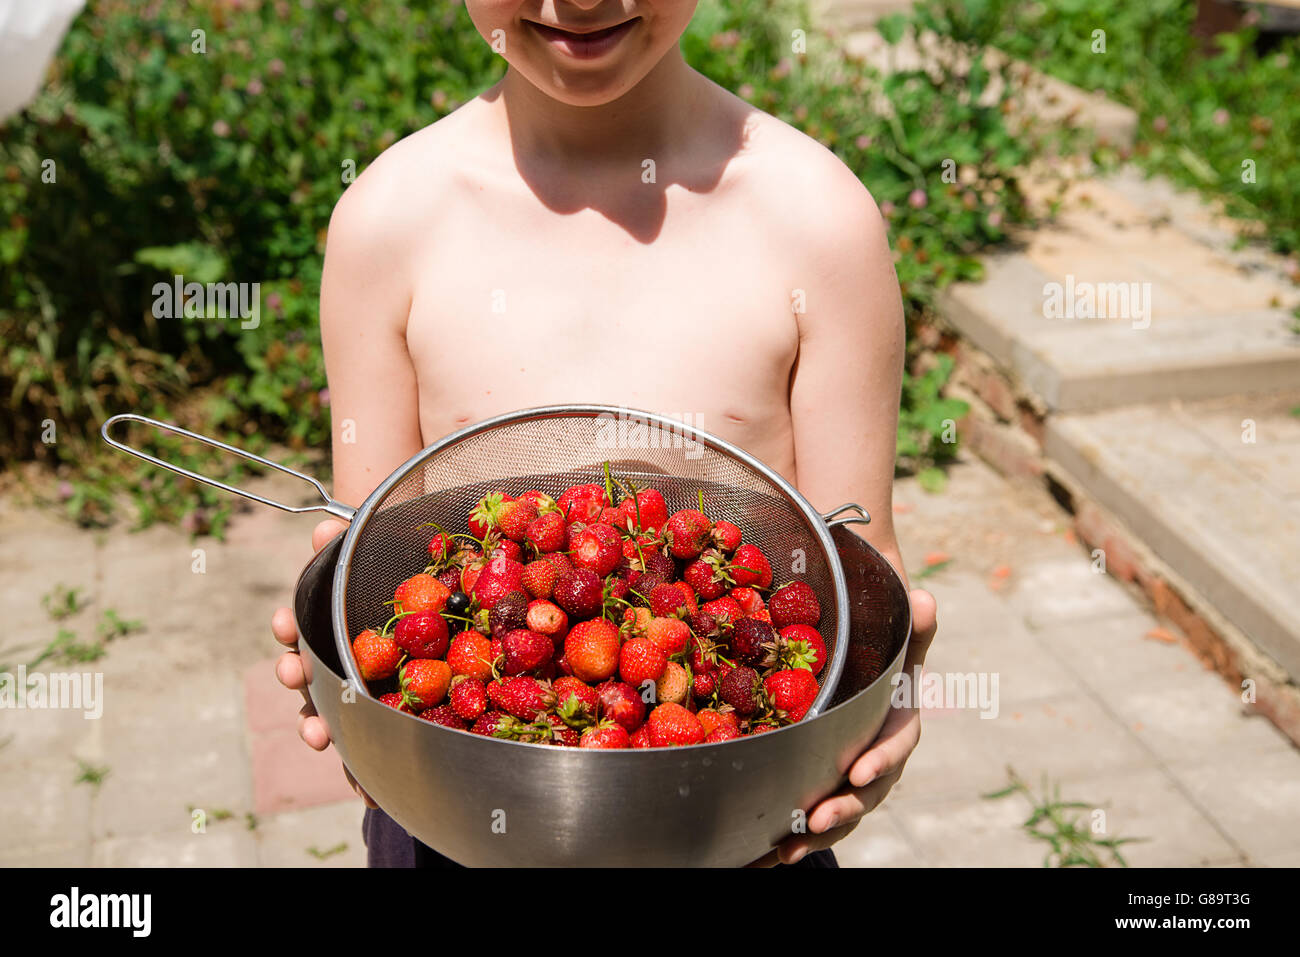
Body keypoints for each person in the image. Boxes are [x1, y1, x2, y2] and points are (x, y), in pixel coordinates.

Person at [268, 0, 938, 867]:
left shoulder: (818, 222)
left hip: (734, 811)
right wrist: (346, 684)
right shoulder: (386, 223)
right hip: (458, 813)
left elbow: (859, 579)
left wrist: (881, 711)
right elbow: (378, 563)